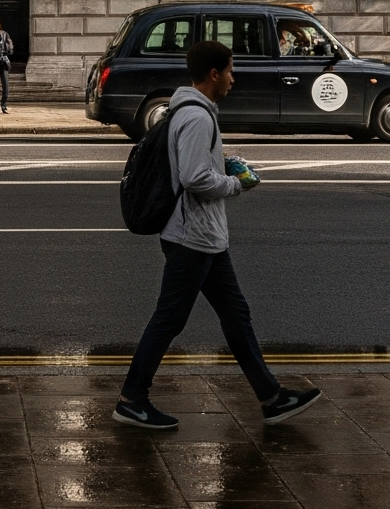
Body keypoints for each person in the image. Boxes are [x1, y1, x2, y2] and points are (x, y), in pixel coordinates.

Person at [114, 38, 321, 432]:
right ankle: (131, 399)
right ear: (213, 74)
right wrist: (235, 183)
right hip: (192, 235)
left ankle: (271, 397)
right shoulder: (197, 117)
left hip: (203, 235)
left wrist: (220, 160)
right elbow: (194, 178)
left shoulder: (189, 111)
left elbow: (187, 163)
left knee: (236, 314)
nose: (233, 79)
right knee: (169, 319)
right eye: (230, 71)